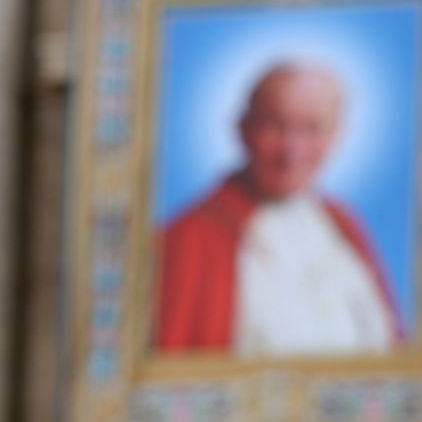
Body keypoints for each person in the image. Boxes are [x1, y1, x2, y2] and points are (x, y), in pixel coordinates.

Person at [155, 63, 400, 357]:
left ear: (336, 135)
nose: (292, 149)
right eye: (275, 125)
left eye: (312, 128)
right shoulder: (191, 237)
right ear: (244, 128)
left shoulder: (342, 222)